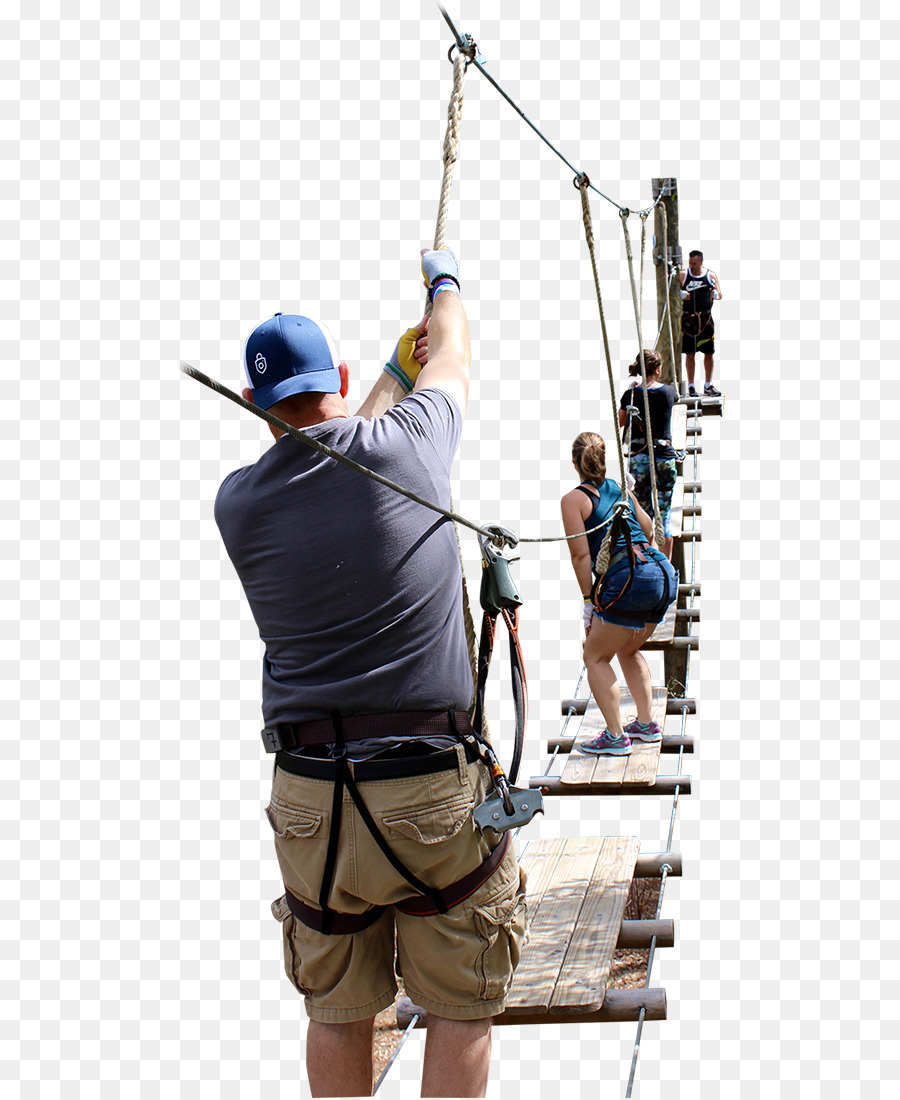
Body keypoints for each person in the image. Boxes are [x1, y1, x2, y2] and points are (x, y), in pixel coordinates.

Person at [214, 248, 525, 1099]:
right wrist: (445, 289)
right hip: (427, 790)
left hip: (313, 804)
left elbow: (329, 451)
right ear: (339, 375)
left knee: (337, 1010)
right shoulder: (413, 446)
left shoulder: (236, 506)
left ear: (253, 403)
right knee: (462, 1001)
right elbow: (452, 353)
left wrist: (394, 370)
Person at [560, 433, 678, 755]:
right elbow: (649, 530)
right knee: (628, 647)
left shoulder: (573, 501)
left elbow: (581, 556)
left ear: (575, 463)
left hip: (631, 579)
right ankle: (646, 724)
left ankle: (615, 736)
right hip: (661, 576)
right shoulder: (620, 488)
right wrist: (632, 495)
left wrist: (588, 602)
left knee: (594, 656)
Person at [619, 349, 679, 560]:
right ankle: (667, 568)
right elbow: (675, 398)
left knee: (643, 517)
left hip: (640, 460)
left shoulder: (631, 394)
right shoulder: (669, 392)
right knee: (664, 517)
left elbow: (621, 422)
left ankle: (648, 563)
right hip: (664, 458)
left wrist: (631, 392)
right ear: (657, 369)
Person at [680, 249, 723, 398]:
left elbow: (719, 293)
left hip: (705, 321)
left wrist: (715, 294)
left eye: (695, 264)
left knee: (709, 352)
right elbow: (668, 291)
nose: (692, 266)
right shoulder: (684, 275)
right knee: (690, 354)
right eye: (690, 263)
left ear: (701, 262)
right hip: (689, 322)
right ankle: (691, 386)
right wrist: (679, 294)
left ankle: (708, 384)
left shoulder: (710, 275)